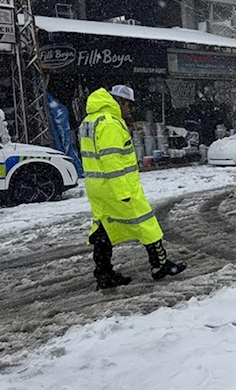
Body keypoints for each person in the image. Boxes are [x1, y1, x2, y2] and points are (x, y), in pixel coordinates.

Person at [79, 85, 186, 290]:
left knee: (104, 228)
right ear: (119, 102)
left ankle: (104, 273)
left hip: (97, 185)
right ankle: (160, 265)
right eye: (129, 105)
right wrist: (123, 192)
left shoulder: (90, 120)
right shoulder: (109, 123)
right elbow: (112, 160)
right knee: (147, 223)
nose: (130, 110)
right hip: (116, 185)